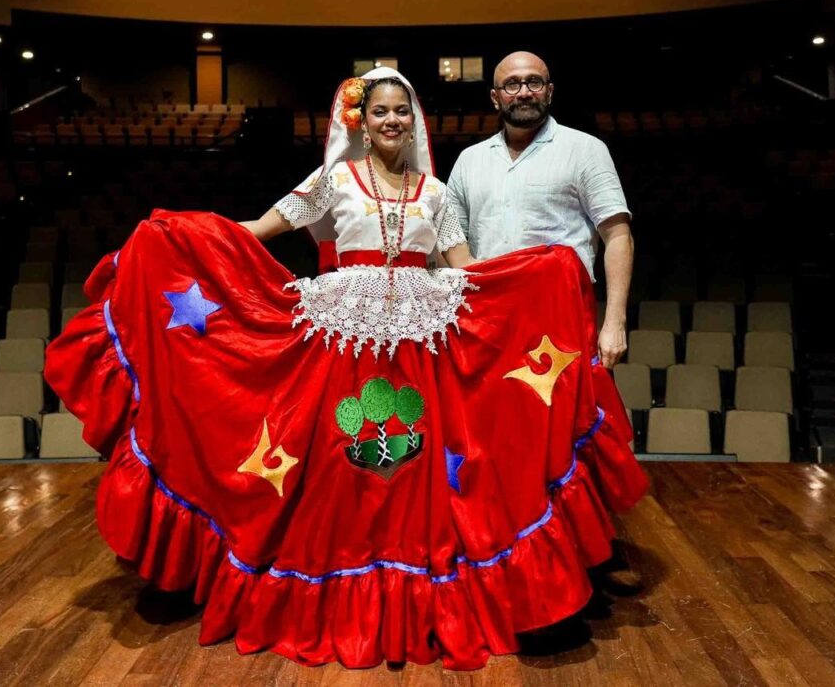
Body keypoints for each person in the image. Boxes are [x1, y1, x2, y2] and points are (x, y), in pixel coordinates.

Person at [44, 67, 647, 670]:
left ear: (415, 123)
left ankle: (415, 584)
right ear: (362, 120)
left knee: (415, 475)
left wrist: (546, 273)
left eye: (402, 112)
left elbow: (465, 267)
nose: (392, 121)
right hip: (341, 342)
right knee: (337, 467)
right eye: (381, 111)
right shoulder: (334, 180)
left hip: (419, 343)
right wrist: (181, 236)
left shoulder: (436, 193)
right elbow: (257, 232)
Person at [447, 51, 634, 369]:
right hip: (487, 318)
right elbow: (448, 241)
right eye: (511, 84)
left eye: (533, 82)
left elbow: (618, 235)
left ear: (549, 90)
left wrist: (615, 321)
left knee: (561, 416)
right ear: (495, 98)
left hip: (561, 314)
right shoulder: (469, 160)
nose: (523, 92)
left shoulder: (585, 150)